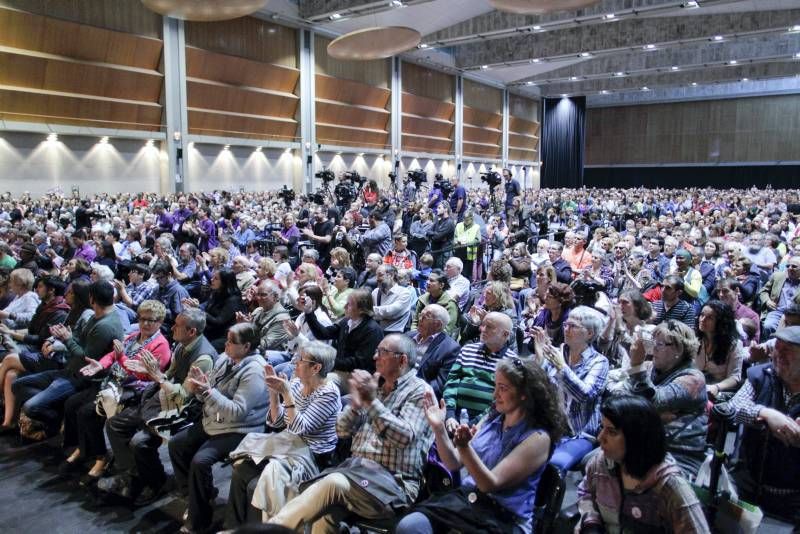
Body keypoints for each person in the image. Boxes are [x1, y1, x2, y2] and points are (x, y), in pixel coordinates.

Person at [267, 334, 433, 533]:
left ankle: (266, 530)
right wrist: (355, 406)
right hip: (357, 472)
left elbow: (404, 438)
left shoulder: (419, 391)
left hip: (392, 483)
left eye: (382, 352)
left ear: (403, 359)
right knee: (326, 514)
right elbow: (341, 431)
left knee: (333, 483)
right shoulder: (376, 387)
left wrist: (370, 401)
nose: (374, 356)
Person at [397, 357, 565, 534]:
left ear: (524, 393)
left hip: (504, 517)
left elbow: (489, 483)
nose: (495, 395)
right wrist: (438, 428)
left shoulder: (538, 438)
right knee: (410, 526)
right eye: (496, 386)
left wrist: (465, 447)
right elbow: (453, 462)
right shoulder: (492, 419)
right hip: (470, 500)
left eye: (503, 388)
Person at [98, 308, 219, 505]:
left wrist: (156, 376)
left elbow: (184, 398)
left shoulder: (203, 358)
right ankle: (134, 475)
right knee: (114, 424)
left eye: (177, 325)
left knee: (140, 441)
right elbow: (168, 375)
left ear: (192, 332)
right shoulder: (181, 346)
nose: (172, 327)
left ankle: (156, 483)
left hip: (187, 412)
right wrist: (153, 374)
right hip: (163, 400)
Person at [223, 341, 341, 527]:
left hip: (313, 454)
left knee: (256, 486)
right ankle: (232, 527)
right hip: (290, 444)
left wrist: (286, 394)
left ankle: (266, 529)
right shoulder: (295, 383)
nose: (295, 363)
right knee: (241, 470)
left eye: (301, 360)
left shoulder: (328, 393)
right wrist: (273, 393)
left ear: (316, 367)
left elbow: (299, 428)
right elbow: (276, 422)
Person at [169, 323, 268, 534]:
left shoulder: (255, 370)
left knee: (200, 460)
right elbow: (208, 390)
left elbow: (237, 411)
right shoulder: (225, 359)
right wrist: (197, 387)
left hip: (241, 428)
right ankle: (197, 496)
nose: (227, 344)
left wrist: (207, 392)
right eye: (227, 338)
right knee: (176, 444)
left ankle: (199, 519)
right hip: (215, 420)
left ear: (247, 346)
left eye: (233, 341)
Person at [61, 299, 171, 479]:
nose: (144, 323)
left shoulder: (161, 345)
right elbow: (112, 355)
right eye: (142, 318)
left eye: (150, 320)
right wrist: (99, 365)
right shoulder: (133, 336)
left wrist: (120, 359)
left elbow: (141, 374)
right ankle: (84, 448)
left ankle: (100, 457)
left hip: (137, 391)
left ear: (159, 322)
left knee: (87, 412)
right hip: (115, 382)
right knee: (73, 403)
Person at [576, 395, 709, 533]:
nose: (600, 438)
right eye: (602, 427)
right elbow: (586, 492)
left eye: (612, 432)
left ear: (636, 438)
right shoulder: (600, 464)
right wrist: (591, 522)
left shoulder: (670, 488)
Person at [9, 281, 124, 439]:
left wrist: (67, 339)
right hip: (69, 370)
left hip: (81, 378)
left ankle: (54, 418)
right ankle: (57, 408)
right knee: (17, 385)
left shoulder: (104, 325)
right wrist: (62, 336)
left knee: (30, 407)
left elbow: (86, 358)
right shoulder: (96, 315)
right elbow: (79, 338)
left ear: (92, 298)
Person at [728, 325, 800, 525]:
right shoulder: (761, 375)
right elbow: (733, 408)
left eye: (788, 351)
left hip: (793, 500)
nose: (779, 355)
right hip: (748, 487)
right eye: (777, 347)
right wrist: (765, 413)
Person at [624, 320, 708, 477]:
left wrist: (636, 365)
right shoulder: (650, 368)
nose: (653, 348)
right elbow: (620, 398)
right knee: (596, 462)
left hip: (678, 454)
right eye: (653, 342)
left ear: (679, 349)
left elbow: (654, 402)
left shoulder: (693, 379)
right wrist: (654, 417)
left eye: (660, 344)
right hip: (644, 444)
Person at [533, 305, 609, 472]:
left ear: (589, 334)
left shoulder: (599, 362)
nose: (566, 329)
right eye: (566, 324)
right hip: (550, 425)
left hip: (579, 433)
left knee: (553, 465)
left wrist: (562, 367)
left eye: (573, 326)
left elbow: (585, 395)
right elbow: (538, 387)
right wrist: (540, 358)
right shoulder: (557, 353)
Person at [296, 288, 384, 386]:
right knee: (304, 371)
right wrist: (309, 312)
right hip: (340, 370)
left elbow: (359, 362)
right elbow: (323, 333)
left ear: (361, 309)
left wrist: (330, 362)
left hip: (357, 377)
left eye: (350, 304)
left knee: (318, 381)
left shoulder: (372, 330)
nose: (345, 306)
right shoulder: (347, 321)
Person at [443, 312, 516, 428]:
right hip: (453, 417)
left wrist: (476, 423)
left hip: (487, 424)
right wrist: (450, 414)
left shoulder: (512, 363)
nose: (482, 329)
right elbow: (452, 382)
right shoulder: (467, 349)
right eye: (483, 325)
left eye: (489, 327)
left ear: (505, 334)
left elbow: (502, 401)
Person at [183, 270, 246, 351]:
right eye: (212, 277)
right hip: (211, 329)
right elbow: (206, 307)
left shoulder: (233, 300)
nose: (211, 279)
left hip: (224, 335)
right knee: (186, 331)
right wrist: (196, 305)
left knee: (203, 346)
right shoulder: (217, 292)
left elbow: (218, 322)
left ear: (224, 282)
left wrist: (198, 309)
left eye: (216, 278)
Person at [408, 303, 461, 399]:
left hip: (420, 395)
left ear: (438, 325)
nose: (420, 319)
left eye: (425, 317)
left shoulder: (450, 349)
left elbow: (440, 384)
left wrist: (417, 393)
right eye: (420, 315)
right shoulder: (408, 336)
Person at [695, 300, 745, 398]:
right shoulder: (695, 339)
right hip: (695, 385)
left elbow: (734, 377)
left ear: (720, 322)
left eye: (710, 318)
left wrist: (716, 387)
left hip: (718, 390)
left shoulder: (734, 345)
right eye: (702, 315)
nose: (702, 319)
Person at [759, 255, 800, 338]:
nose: (790, 268)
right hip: (777, 311)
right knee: (768, 326)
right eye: (788, 266)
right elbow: (763, 291)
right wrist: (767, 301)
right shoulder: (777, 276)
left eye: (794, 266)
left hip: (795, 315)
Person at [410, 269, 459, 338]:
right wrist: (414, 336)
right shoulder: (422, 299)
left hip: (439, 340)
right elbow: (415, 322)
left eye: (431, 281)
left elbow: (446, 330)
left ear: (441, 285)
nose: (427, 282)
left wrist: (426, 339)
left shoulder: (450, 304)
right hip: (420, 335)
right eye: (428, 279)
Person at [371, 264, 414, 334]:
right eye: (376, 275)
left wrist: (369, 310)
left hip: (395, 335)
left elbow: (390, 311)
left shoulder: (404, 293)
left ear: (391, 275)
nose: (377, 279)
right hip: (377, 333)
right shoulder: (375, 292)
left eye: (380, 275)